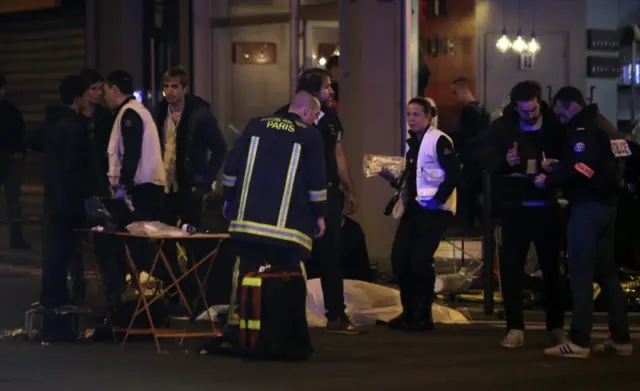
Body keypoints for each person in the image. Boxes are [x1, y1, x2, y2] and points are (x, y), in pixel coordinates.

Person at [220, 91, 327, 344]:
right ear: (307, 112)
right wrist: (320, 215)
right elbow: (316, 181)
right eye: (315, 116)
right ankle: (289, 333)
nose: (315, 121)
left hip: (247, 222)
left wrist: (228, 198)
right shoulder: (310, 135)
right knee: (292, 274)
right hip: (287, 230)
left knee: (243, 272)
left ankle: (238, 328)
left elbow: (232, 165)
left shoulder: (255, 125)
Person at [538, 86, 632, 358]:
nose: (560, 119)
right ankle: (621, 338)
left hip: (587, 208)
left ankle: (579, 340)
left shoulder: (583, 132)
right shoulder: (606, 127)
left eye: (561, 113)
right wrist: (562, 166)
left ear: (572, 107)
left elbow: (584, 169)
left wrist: (550, 179)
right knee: (607, 274)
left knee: (580, 273)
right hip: (609, 207)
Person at [481, 80, 566, 349]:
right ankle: (515, 327)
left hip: (546, 206)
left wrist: (554, 168)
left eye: (534, 110)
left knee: (552, 269)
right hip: (515, 207)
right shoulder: (503, 127)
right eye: (524, 111)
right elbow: (482, 157)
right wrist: (504, 162)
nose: (530, 115)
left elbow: (570, 159)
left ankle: (556, 326)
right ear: (515, 106)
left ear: (540, 103)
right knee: (512, 269)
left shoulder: (555, 127)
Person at [275, 68, 359, 334]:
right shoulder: (284, 116)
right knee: (291, 254)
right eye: (326, 87)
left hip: (328, 193)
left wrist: (349, 189)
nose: (331, 91)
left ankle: (336, 315)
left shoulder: (331, 119)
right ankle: (288, 316)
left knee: (331, 255)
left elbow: (339, 155)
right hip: (298, 195)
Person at [380, 97, 460, 331]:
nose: (411, 119)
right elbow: (414, 178)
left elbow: (454, 174)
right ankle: (409, 311)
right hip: (416, 207)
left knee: (419, 260)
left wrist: (437, 200)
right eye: (408, 114)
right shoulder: (413, 144)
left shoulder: (438, 140)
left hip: (435, 209)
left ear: (428, 116)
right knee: (400, 257)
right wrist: (391, 178)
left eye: (416, 114)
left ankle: (423, 314)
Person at [39, 75, 91, 310]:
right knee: (63, 252)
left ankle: (51, 300)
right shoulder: (73, 127)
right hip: (68, 202)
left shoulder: (53, 122)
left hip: (53, 198)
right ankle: (58, 302)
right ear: (78, 97)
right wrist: (84, 195)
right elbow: (73, 167)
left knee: (55, 253)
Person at [153, 66, 226, 228]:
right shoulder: (159, 112)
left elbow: (219, 148)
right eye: (166, 86)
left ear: (184, 89)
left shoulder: (199, 114)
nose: (169, 91)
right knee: (165, 235)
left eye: (174, 86)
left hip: (190, 185)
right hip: (165, 185)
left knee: (191, 233)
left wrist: (204, 179)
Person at [104, 70, 165, 218]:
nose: (104, 97)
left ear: (114, 90)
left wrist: (124, 187)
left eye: (106, 91)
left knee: (136, 234)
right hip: (146, 187)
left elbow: (131, 152)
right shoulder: (136, 110)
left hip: (141, 188)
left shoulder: (129, 113)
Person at [450, 76, 490, 234]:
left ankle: (469, 229)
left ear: (461, 90)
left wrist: (459, 156)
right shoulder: (482, 109)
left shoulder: (468, 111)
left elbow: (466, 138)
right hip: (482, 160)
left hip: (471, 161)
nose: (453, 97)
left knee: (467, 196)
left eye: (454, 92)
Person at [0, 74, 30, 249]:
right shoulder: (11, 111)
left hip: (10, 159)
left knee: (14, 201)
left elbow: (21, 133)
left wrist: (19, 151)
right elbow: (20, 132)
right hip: (11, 158)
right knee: (13, 201)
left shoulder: (11, 111)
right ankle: (16, 238)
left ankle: (17, 238)